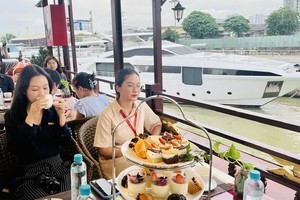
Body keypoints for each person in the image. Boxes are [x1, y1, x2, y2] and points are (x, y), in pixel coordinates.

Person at [4, 64, 71, 200]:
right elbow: (17, 150)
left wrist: (62, 119)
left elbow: (66, 143)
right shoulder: (13, 116)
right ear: (24, 90)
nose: (42, 94)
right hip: (29, 174)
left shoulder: (52, 111)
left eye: (45, 88)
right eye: (35, 89)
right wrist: (30, 121)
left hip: (58, 167)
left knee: (72, 195)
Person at [93, 68, 162, 179]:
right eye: (130, 85)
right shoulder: (107, 114)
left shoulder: (140, 105)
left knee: (162, 164)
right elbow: (103, 149)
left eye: (138, 86)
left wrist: (152, 140)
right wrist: (130, 151)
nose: (136, 90)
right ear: (118, 88)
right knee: (146, 172)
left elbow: (156, 124)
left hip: (140, 155)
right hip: (118, 159)